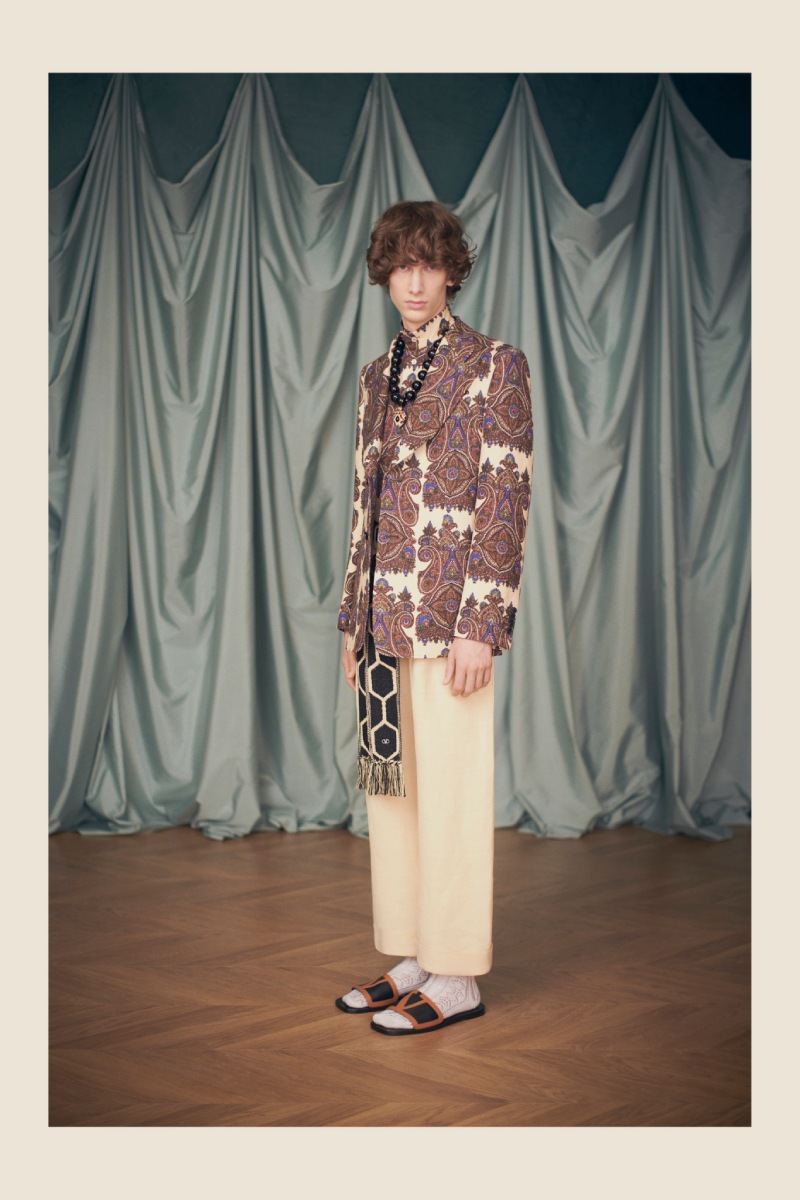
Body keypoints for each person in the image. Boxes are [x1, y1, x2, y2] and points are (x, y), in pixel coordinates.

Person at [335, 200, 533, 1035]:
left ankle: (458, 975)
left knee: (450, 795)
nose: (414, 282)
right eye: (400, 266)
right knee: (395, 795)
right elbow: (365, 504)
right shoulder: (374, 377)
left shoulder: (495, 363)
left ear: (452, 271)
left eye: (429, 264)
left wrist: (483, 624)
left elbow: (505, 496)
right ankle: (415, 952)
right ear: (385, 275)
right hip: (382, 621)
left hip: (453, 621)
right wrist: (352, 621)